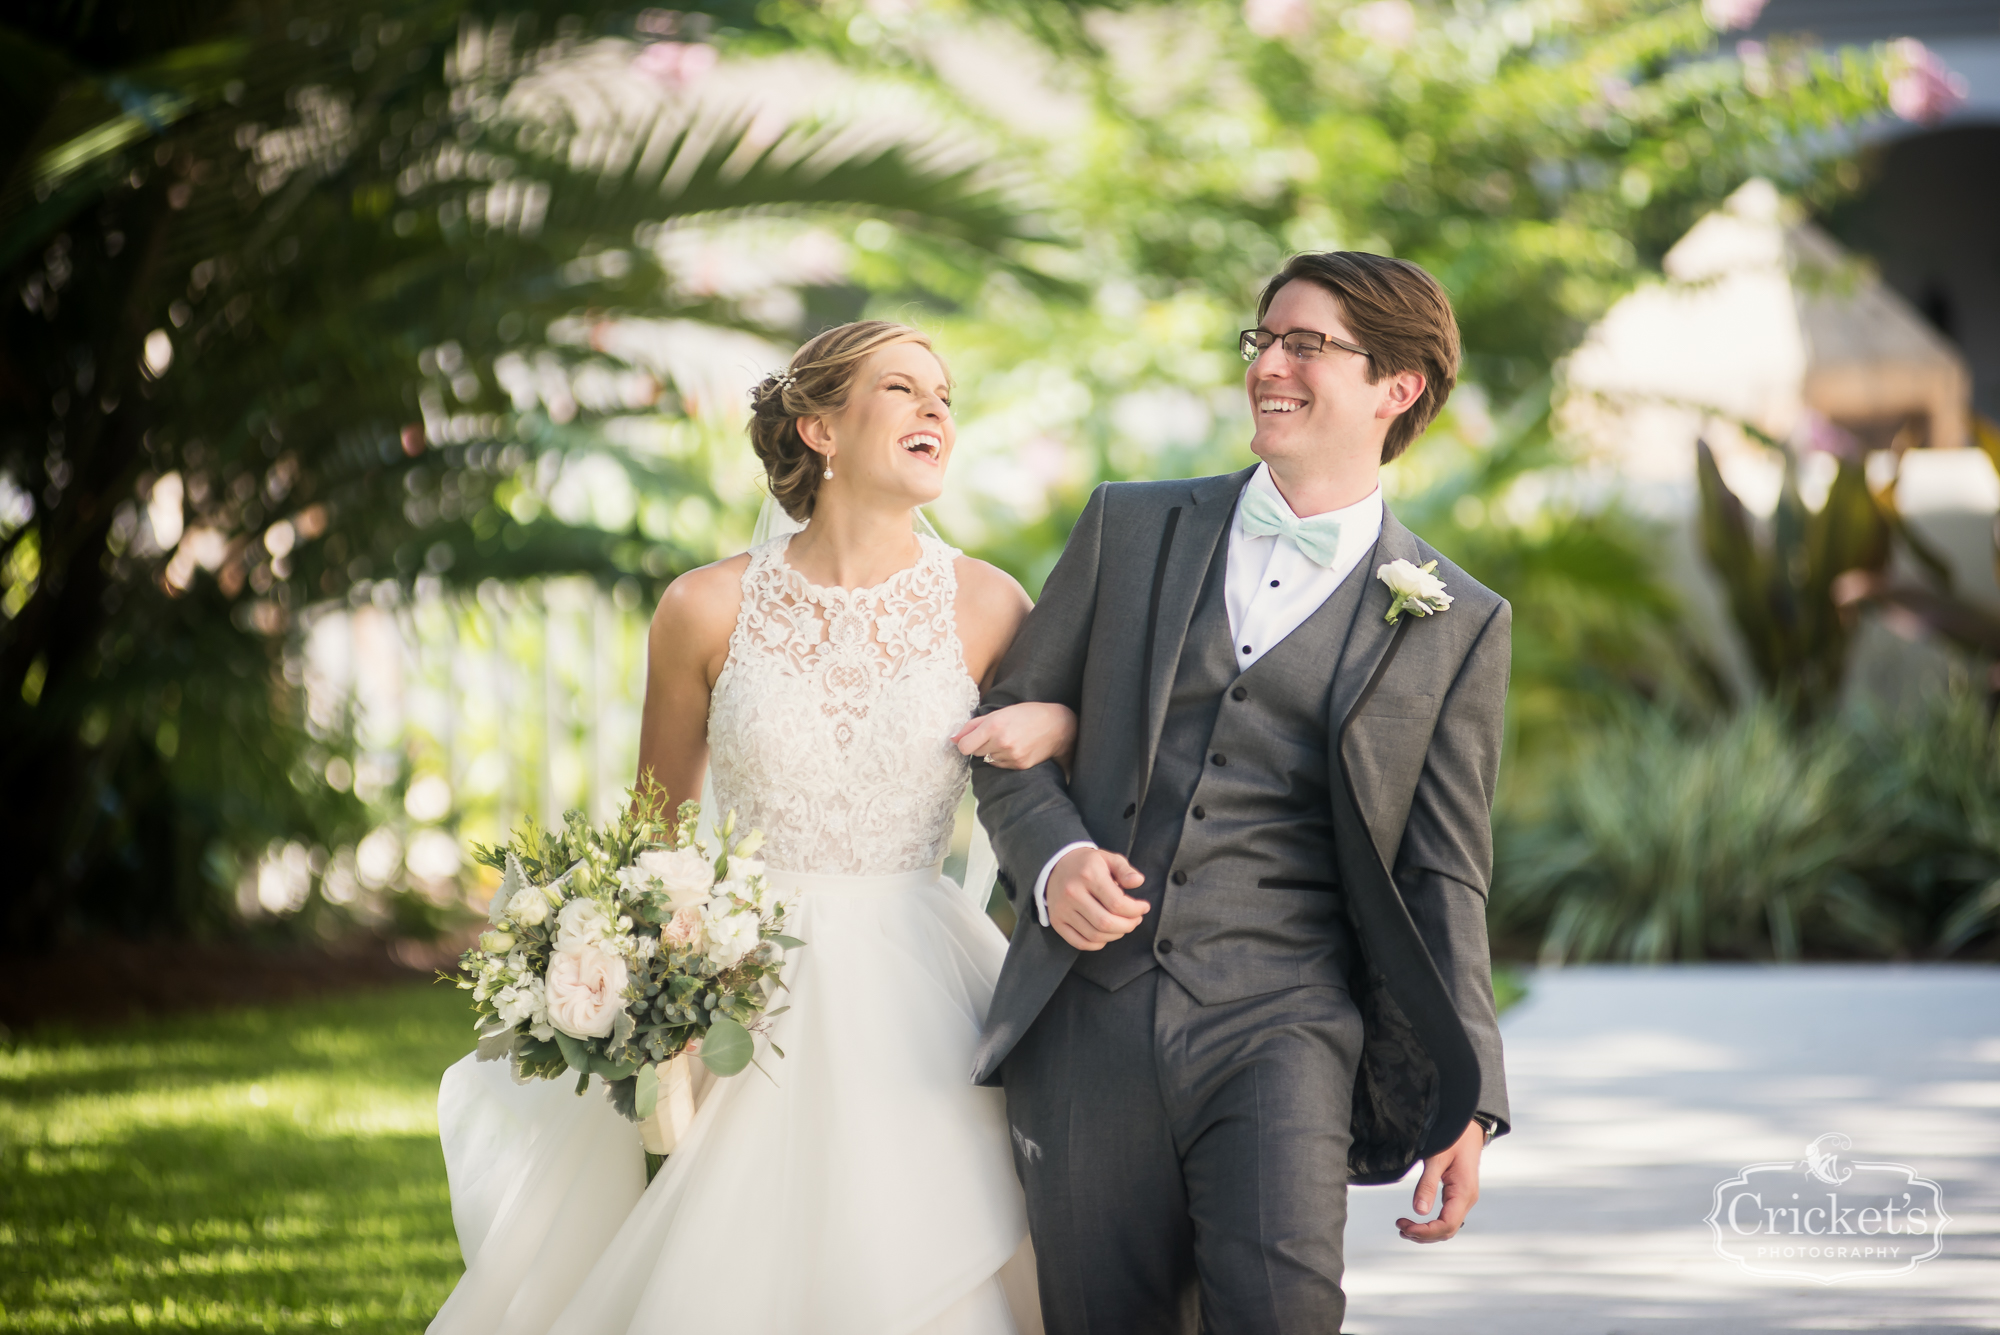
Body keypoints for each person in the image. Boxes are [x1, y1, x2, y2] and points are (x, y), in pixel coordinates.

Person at [429, 320, 1074, 1335]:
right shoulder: (704, 606)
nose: (934, 410)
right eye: (901, 388)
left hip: (923, 977)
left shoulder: (988, 604)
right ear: (816, 426)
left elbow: (1062, 778)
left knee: (929, 1243)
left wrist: (1060, 717)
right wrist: (646, 971)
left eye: (943, 394)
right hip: (744, 978)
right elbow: (655, 832)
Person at [968, 252, 1512, 1333]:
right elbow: (1004, 738)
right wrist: (1057, 860)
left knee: (1281, 1312)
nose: (1269, 364)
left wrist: (1472, 1098)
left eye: (1305, 345)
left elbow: (1443, 872)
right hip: (1092, 1015)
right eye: (1261, 340)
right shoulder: (1129, 527)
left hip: (1287, 1023)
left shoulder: (1454, 619)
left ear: (1394, 388)